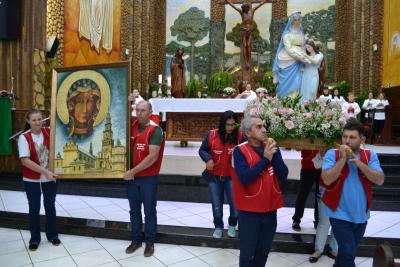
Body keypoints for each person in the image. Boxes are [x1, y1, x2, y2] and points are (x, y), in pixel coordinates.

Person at [321, 118, 384, 267]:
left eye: (352, 137)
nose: (347, 141)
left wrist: (360, 164)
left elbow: (380, 180)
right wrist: (343, 159)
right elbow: (327, 179)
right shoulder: (332, 154)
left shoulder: (370, 155)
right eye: (344, 136)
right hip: (339, 214)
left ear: (362, 139)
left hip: (361, 215)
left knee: (344, 254)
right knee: (349, 254)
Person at [232, 115, 288, 267]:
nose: (264, 130)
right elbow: (244, 178)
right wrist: (265, 160)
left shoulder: (271, 148)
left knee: (263, 251)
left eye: (264, 126)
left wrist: (273, 155)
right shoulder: (239, 151)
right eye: (258, 127)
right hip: (249, 212)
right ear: (248, 132)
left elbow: (283, 175)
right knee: (247, 253)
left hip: (270, 210)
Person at [123, 100, 165, 257]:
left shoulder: (155, 130)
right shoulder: (131, 126)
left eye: (143, 110)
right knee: (134, 211)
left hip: (147, 178)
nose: (139, 113)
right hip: (131, 178)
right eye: (137, 110)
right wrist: (127, 103)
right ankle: (136, 240)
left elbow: (152, 157)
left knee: (149, 211)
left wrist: (132, 171)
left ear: (150, 112)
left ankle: (149, 243)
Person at [17, 109, 60, 251]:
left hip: (49, 178)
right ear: (28, 121)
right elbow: (25, 161)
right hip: (32, 180)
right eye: (34, 120)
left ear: (43, 119)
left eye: (40, 119)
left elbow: (62, 128)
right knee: (34, 209)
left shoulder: (49, 132)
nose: (37, 122)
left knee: (50, 206)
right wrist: (45, 172)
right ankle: (35, 238)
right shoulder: (24, 138)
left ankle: (52, 235)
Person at [199, 111, 245, 239]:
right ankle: (218, 226)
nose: (230, 128)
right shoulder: (212, 134)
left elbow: (248, 151)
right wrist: (208, 159)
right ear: (222, 124)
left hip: (232, 178)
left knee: (235, 204)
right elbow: (202, 150)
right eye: (227, 125)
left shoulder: (240, 137)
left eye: (232, 125)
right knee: (216, 204)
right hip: (214, 177)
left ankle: (232, 225)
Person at [225, 0, 268, 79]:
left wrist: (265, 1)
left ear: (248, 7)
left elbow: (260, 5)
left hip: (250, 31)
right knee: (245, 45)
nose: (244, 9)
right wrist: (227, 1)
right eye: (243, 8)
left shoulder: (252, 11)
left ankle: (248, 61)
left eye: (245, 8)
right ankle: (246, 62)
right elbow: (234, 6)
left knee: (248, 45)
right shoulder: (242, 13)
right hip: (243, 31)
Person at [273, 11, 310, 97]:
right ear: (292, 21)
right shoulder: (287, 35)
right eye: (295, 20)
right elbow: (289, 49)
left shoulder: (301, 33)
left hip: (299, 59)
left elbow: (303, 45)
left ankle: (296, 102)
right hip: (289, 58)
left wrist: (304, 56)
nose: (297, 21)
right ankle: (285, 100)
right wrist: (300, 57)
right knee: (287, 80)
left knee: (298, 81)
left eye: (298, 20)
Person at [292, 150, 321, 231]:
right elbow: (298, 147)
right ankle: (296, 220)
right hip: (307, 167)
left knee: (320, 196)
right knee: (302, 195)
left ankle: (318, 221)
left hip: (322, 167)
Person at [309, 182, 338, 263]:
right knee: (324, 222)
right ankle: (318, 250)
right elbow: (317, 168)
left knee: (338, 224)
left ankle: (334, 249)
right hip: (326, 191)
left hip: (344, 193)